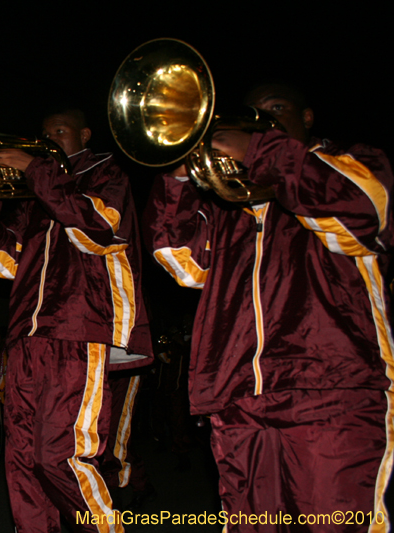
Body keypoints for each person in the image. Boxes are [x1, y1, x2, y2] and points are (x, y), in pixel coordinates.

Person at [143, 82, 393, 530]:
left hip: (331, 390)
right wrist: (178, 178)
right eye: (252, 114)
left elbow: (364, 216)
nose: (259, 120)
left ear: (308, 117)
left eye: (276, 109)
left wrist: (264, 151)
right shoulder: (227, 204)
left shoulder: (351, 162)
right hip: (237, 393)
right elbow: (182, 265)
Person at [0, 108, 152, 532]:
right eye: (43, 134)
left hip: (79, 327)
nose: (48, 141)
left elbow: (98, 229)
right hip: (25, 335)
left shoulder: (107, 172)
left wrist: (35, 169)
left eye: (59, 132)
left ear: (84, 134)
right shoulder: (31, 196)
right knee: (21, 461)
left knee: (60, 455)